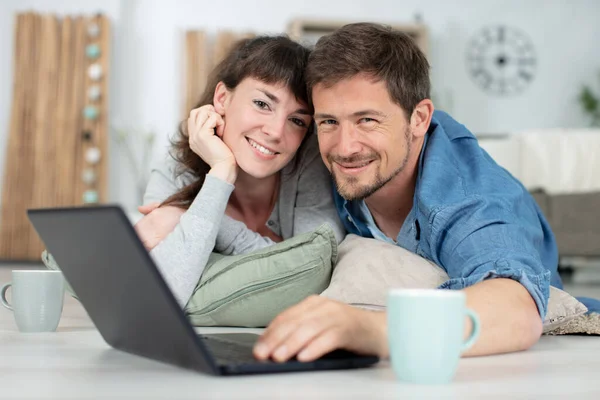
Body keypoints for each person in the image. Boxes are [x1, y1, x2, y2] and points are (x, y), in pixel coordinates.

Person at [252, 22, 567, 363]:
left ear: (419, 118)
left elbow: (517, 309)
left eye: (367, 120)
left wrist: (374, 330)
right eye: (329, 122)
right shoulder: (326, 153)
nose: (344, 148)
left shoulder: (466, 196)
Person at [134, 36, 345, 307]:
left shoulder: (310, 163)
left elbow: (312, 268)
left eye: (296, 120)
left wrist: (193, 216)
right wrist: (221, 171)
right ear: (222, 98)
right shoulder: (177, 168)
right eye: (262, 104)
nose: (275, 132)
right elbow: (163, 295)